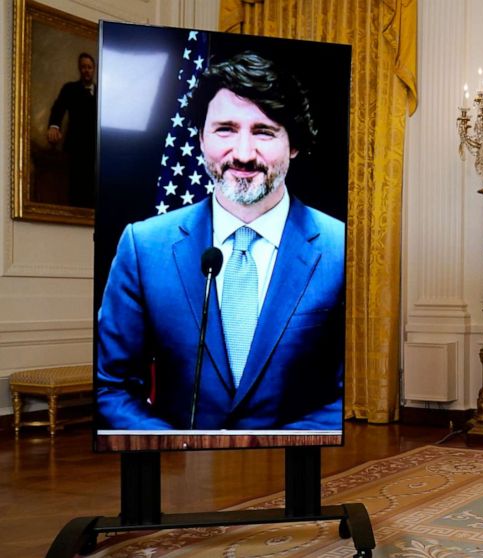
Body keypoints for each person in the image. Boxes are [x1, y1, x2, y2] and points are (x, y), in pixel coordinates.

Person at [96, 52, 345, 431]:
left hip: (296, 470)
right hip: (179, 478)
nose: (243, 154)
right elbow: (112, 388)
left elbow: (346, 395)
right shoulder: (143, 246)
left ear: (294, 144)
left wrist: (265, 454)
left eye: (264, 132)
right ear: (200, 138)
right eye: (225, 129)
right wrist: (181, 451)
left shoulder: (341, 249)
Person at [47, 52, 97, 208]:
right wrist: (54, 126)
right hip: (76, 147)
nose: (86, 70)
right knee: (76, 188)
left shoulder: (103, 91)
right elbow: (58, 108)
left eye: (89, 67)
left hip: (96, 149)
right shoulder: (70, 88)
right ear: (79, 69)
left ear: (94, 69)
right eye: (83, 67)